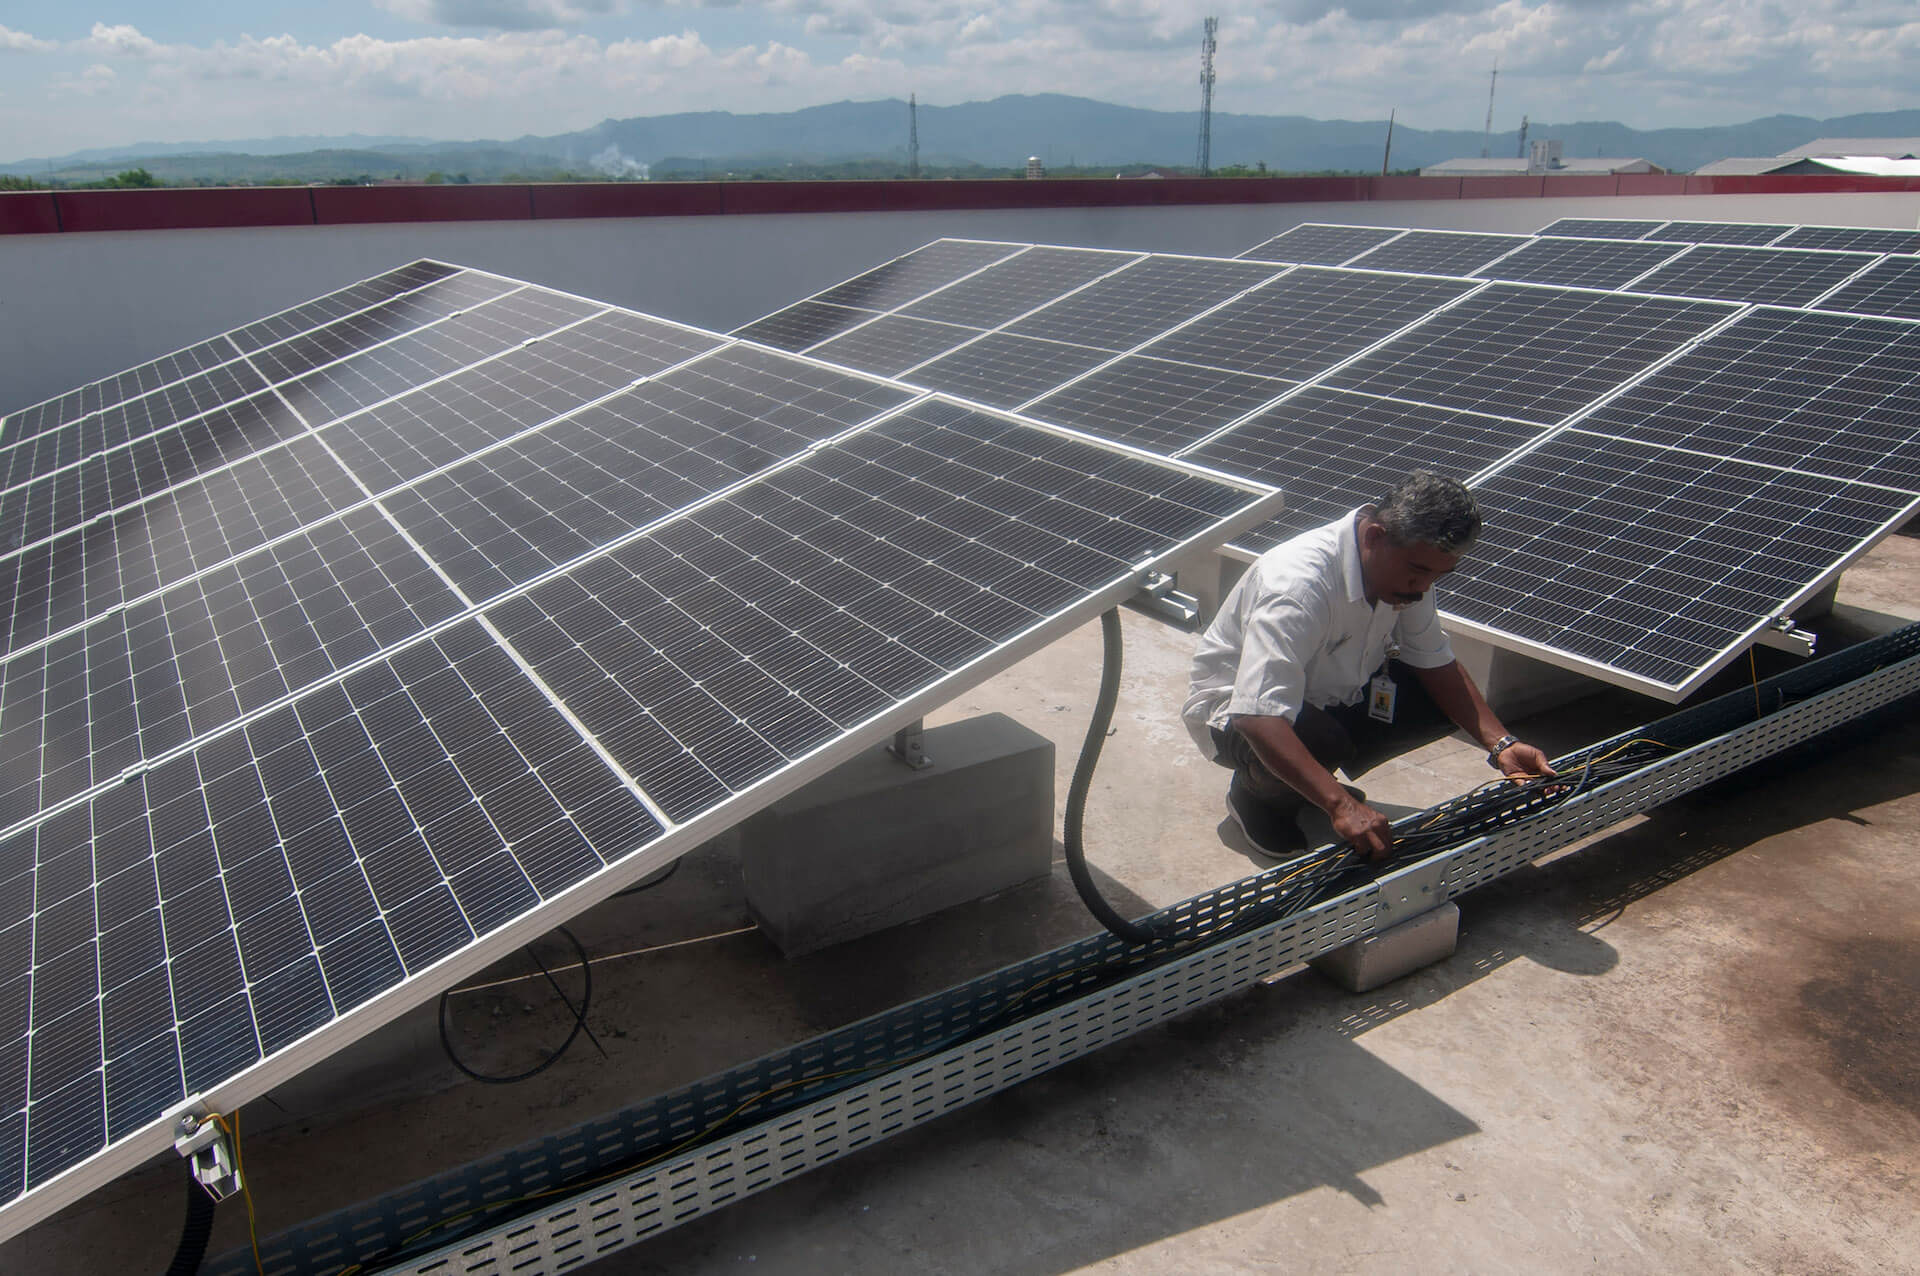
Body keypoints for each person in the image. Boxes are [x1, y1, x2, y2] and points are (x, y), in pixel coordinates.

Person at [1183, 471, 1554, 861]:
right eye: (1420, 570)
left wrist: (1502, 744)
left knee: (1434, 699)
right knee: (1321, 740)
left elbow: (1434, 660)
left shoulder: (1405, 572)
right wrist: (1341, 807)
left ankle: (1306, 780)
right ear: (1375, 537)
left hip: (1331, 692)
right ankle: (1256, 797)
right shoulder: (1296, 586)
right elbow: (1256, 714)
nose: (1424, 586)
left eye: (1438, 575)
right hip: (1237, 715)